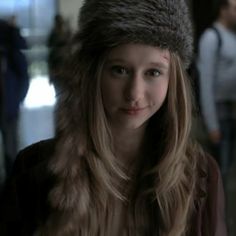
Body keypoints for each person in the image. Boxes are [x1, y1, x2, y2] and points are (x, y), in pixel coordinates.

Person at [0, 0, 227, 235]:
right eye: (119, 70)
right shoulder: (34, 172)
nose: (134, 94)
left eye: (153, 72)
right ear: (94, 73)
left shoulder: (202, 176)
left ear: (174, 80)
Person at [197, 0, 236, 179]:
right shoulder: (211, 37)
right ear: (223, 9)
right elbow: (205, 82)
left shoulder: (232, 36)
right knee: (220, 172)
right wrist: (212, 125)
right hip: (220, 113)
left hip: (233, 109)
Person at [0, 18, 29, 178]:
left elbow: (23, 77)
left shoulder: (10, 52)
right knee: (10, 145)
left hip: (8, 107)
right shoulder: (12, 50)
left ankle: (12, 179)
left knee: (10, 147)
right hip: (9, 106)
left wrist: (18, 99)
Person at [47, 14, 71, 94]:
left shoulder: (57, 34)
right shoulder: (64, 33)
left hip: (62, 69)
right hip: (62, 69)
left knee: (61, 93)